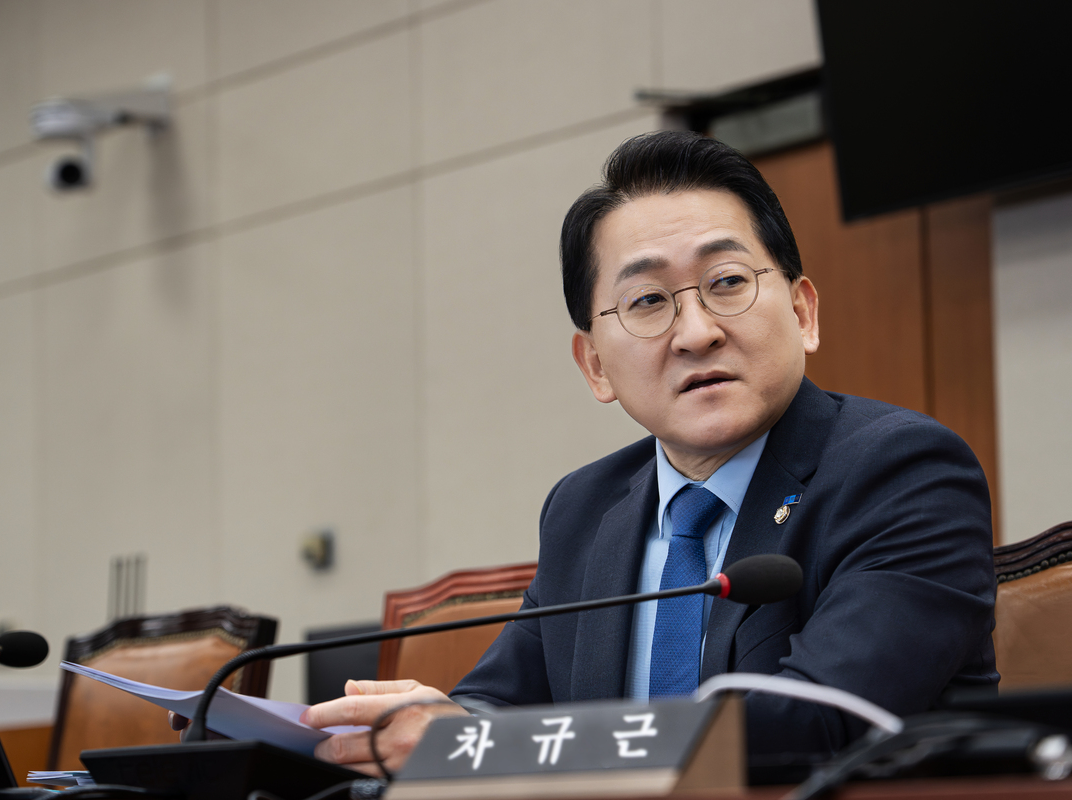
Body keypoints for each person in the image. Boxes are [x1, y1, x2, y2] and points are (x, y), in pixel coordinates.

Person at [297, 130, 1000, 775]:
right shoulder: (585, 508)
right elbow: (497, 702)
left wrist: (491, 747)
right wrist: (442, 726)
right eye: (647, 301)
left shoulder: (904, 473)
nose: (696, 333)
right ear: (595, 366)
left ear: (803, 312)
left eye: (727, 282)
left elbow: (815, 725)